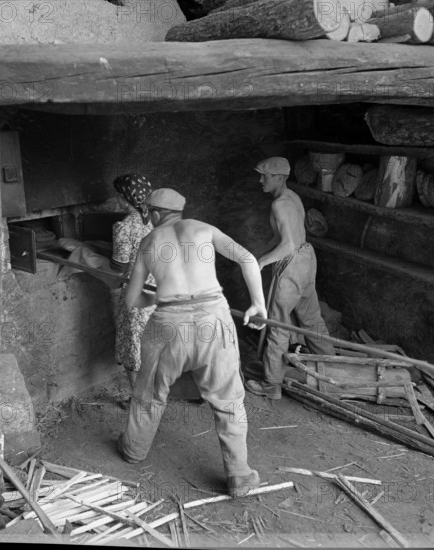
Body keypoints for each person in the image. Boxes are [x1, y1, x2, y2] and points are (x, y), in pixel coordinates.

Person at [116, 188, 268, 498]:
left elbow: (132, 299)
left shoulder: (149, 242)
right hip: (214, 321)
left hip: (168, 326)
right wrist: (258, 305)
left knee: (149, 392)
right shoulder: (204, 229)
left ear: (156, 214)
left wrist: (159, 295)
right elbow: (247, 258)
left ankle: (133, 451)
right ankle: (239, 474)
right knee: (228, 399)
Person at [245, 157, 336, 401]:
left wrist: (262, 262)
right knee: (311, 318)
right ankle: (333, 369)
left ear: (280, 177)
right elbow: (287, 237)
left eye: (265, 175)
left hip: (292, 265)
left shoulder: (279, 205)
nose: (261, 180)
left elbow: (286, 245)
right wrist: (260, 253)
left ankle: (271, 384)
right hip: (307, 258)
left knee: (278, 324)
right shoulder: (292, 198)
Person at [108, 174, 157, 396]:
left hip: (137, 291)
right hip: (157, 287)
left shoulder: (124, 226)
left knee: (133, 347)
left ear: (122, 197)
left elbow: (119, 266)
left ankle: (140, 401)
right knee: (150, 345)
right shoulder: (153, 219)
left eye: (117, 194)